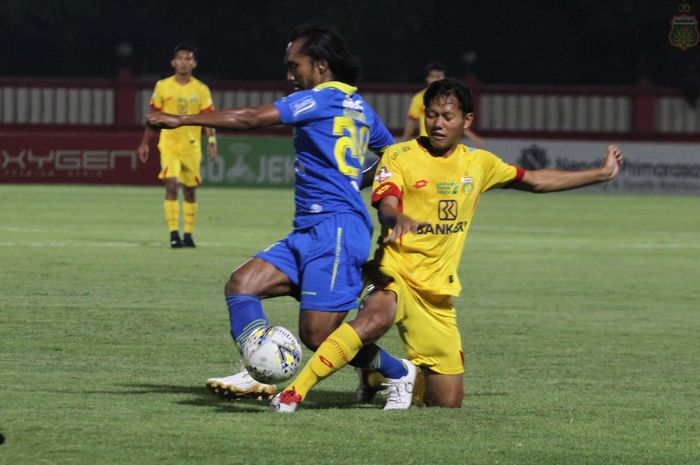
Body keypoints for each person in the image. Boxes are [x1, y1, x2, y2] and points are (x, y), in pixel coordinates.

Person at [271, 78, 624, 411]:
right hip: (396, 273)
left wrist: (600, 173)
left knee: (447, 402)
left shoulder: (479, 163)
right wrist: (395, 220)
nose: (438, 124)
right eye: (432, 115)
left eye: (448, 116)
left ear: (466, 120)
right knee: (374, 318)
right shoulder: (400, 156)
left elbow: (535, 180)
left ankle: (375, 372)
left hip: (437, 294)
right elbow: (387, 203)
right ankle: (293, 392)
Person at [147, 24, 418, 408]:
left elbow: (251, 118)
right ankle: (256, 365)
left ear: (321, 66)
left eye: (295, 66)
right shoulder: (360, 107)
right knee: (242, 284)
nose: (289, 75)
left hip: (338, 231)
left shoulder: (318, 100)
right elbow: (395, 157)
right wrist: (352, 179)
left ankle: (397, 372)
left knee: (319, 337)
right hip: (309, 230)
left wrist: (182, 120)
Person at [137, 44, 218, 248]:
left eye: (188, 58)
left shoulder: (200, 89)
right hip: (169, 143)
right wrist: (145, 142)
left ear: (194, 63)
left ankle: (188, 234)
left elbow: (208, 118)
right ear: (173, 62)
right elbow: (153, 117)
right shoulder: (163, 86)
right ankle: (174, 233)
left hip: (191, 145)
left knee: (190, 190)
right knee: (171, 185)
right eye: (180, 58)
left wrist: (211, 141)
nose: (184, 62)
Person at [402, 62, 483, 146]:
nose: (436, 79)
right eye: (433, 76)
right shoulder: (419, 98)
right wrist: (404, 141)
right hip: (427, 143)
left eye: (439, 76)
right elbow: (412, 122)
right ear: (427, 78)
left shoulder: (452, 99)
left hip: (447, 143)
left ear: (444, 78)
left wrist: (473, 137)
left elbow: (457, 121)